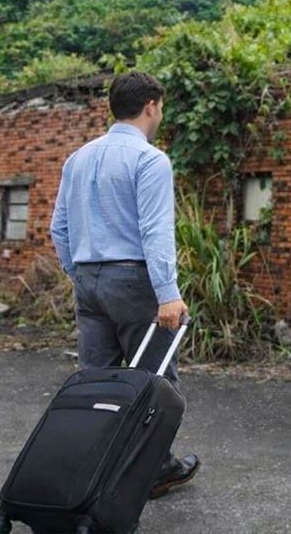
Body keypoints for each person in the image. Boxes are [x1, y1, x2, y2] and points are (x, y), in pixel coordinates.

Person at [50, 71, 201, 499]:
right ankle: (155, 471)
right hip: (134, 282)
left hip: (89, 282)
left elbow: (58, 227)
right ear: (151, 105)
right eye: (161, 107)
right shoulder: (149, 160)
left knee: (95, 381)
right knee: (155, 380)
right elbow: (156, 232)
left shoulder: (78, 158)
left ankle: (91, 468)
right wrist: (168, 293)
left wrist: (77, 273)